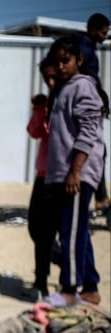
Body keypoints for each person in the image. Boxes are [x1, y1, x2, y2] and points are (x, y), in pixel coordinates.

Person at [44, 35, 108, 307]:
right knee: (76, 229)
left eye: (65, 60)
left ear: (79, 60)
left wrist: (76, 171)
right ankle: (90, 287)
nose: (60, 66)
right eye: (55, 61)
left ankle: (69, 290)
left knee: (70, 234)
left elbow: (90, 131)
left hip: (77, 173)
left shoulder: (82, 86)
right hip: (65, 173)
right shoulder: (64, 88)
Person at [26, 57, 59, 300]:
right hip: (42, 174)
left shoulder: (67, 103)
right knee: (36, 228)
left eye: (54, 77)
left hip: (58, 176)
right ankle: (46, 269)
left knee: (47, 231)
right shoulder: (47, 103)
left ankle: (42, 281)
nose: (50, 82)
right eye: (46, 78)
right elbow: (34, 132)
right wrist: (39, 109)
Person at [78, 13, 109, 211]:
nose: (106, 36)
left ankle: (101, 196)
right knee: (95, 149)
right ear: (94, 30)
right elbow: (89, 75)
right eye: (104, 32)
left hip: (89, 104)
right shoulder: (84, 49)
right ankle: (101, 197)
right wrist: (101, 94)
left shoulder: (88, 47)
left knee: (99, 150)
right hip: (84, 107)